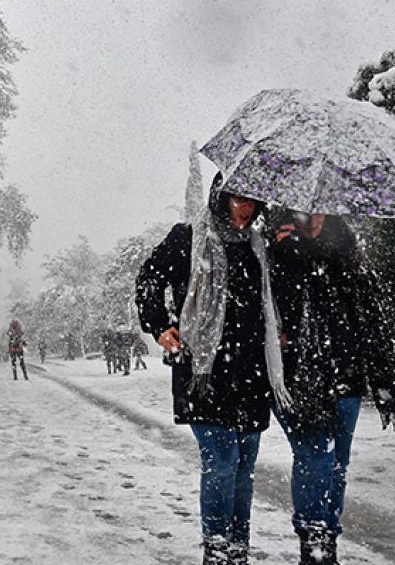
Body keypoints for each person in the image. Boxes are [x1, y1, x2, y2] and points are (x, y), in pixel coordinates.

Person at [136, 174, 291, 565]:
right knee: (221, 461)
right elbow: (149, 279)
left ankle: (238, 548)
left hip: (252, 371)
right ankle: (217, 550)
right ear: (220, 197)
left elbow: (274, 299)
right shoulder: (189, 237)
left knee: (243, 466)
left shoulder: (260, 246)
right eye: (238, 197)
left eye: (253, 199)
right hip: (205, 370)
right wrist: (159, 325)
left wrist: (291, 247)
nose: (246, 207)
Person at [269, 211, 395, 564]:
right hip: (297, 379)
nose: (313, 217)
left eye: (320, 209)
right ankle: (313, 541)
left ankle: (326, 542)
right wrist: (290, 254)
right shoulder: (277, 252)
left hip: (344, 377)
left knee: (336, 464)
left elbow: (372, 320)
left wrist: (384, 379)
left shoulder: (347, 254)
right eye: (306, 209)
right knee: (314, 456)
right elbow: (267, 310)